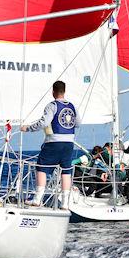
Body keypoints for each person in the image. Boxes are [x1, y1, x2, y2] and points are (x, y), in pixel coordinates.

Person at [21, 80, 79, 209]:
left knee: (41, 167)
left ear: (53, 92)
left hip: (53, 142)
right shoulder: (72, 107)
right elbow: (78, 123)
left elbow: (43, 122)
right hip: (69, 142)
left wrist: (28, 128)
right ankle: (65, 203)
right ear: (64, 91)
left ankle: (37, 199)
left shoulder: (51, 106)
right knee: (65, 171)